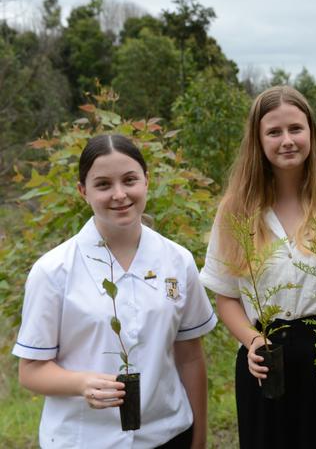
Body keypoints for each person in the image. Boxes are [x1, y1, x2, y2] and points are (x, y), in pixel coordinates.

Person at [200, 85, 316, 448]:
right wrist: (254, 342)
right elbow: (226, 298)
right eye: (274, 132)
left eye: (295, 129)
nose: (287, 140)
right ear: (257, 140)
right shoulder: (235, 212)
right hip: (266, 370)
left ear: (311, 134)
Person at [13, 134, 217, 449]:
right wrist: (82, 384)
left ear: (147, 181)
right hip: (85, 439)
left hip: (167, 434)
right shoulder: (53, 271)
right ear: (83, 191)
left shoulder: (178, 260)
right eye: (104, 184)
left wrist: (199, 439)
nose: (119, 194)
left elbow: (190, 357)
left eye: (130, 180)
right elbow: (31, 371)